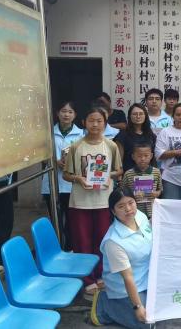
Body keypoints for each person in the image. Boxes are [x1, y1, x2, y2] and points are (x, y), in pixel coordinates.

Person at [63, 107, 123, 296]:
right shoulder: (76, 146)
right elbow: (66, 174)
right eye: (91, 120)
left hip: (103, 201)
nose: (95, 124)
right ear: (84, 123)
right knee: (82, 241)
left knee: (102, 240)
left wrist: (108, 177)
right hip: (80, 202)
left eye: (99, 121)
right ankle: (87, 279)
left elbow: (118, 171)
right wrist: (79, 179)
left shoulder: (111, 146)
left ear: (105, 123)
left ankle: (100, 275)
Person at [90, 187, 153, 329]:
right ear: (113, 211)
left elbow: (150, 230)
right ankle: (104, 305)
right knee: (148, 323)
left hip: (148, 277)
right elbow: (128, 278)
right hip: (126, 288)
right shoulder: (113, 241)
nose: (128, 209)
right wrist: (137, 307)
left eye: (131, 203)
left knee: (166, 306)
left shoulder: (140, 216)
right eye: (121, 206)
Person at [41, 100, 83, 250]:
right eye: (63, 111)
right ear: (57, 113)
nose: (66, 115)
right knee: (55, 220)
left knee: (71, 220)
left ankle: (69, 249)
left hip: (71, 184)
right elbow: (41, 155)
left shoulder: (81, 134)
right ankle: (56, 250)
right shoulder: (48, 133)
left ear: (75, 115)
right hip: (52, 183)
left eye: (70, 112)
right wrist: (54, 161)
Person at [121, 143, 162, 219]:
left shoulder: (156, 172)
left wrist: (156, 193)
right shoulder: (128, 174)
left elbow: (160, 189)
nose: (143, 159)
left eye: (146, 156)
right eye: (139, 156)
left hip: (152, 209)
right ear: (133, 157)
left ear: (151, 156)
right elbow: (122, 191)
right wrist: (132, 195)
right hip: (135, 210)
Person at [114, 104, 157, 172]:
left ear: (145, 116)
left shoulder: (151, 135)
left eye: (141, 114)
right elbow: (119, 161)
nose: (138, 116)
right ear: (129, 116)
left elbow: (154, 158)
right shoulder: (122, 135)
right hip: (130, 175)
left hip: (149, 175)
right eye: (135, 114)